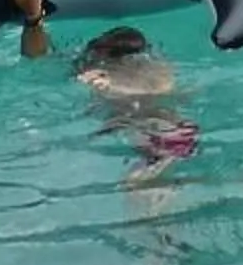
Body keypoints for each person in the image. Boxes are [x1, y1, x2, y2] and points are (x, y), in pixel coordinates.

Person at [72, 27, 200, 186]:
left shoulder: (100, 78)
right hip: (181, 128)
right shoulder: (161, 69)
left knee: (139, 184)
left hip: (149, 132)